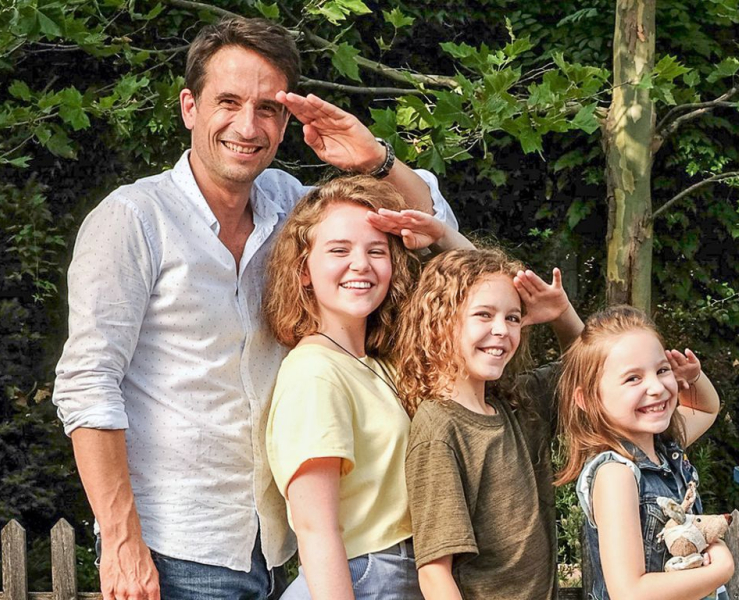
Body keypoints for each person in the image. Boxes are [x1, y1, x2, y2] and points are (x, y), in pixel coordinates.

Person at [52, 16, 457, 600]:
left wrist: (376, 160)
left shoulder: (291, 207)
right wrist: (120, 542)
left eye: (267, 108)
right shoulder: (133, 219)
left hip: (273, 548)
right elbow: (88, 384)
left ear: (286, 122)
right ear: (189, 107)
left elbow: (426, 230)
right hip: (174, 549)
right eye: (228, 102)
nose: (247, 126)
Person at [264, 175, 470, 599]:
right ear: (303, 271)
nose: (361, 264)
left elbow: (493, 294)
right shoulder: (314, 374)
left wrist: (441, 235)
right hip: (361, 578)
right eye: (339, 250)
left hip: (403, 574)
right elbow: (315, 528)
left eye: (376, 251)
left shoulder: (381, 364)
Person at [395, 248, 584, 600]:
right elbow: (435, 574)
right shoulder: (439, 429)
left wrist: (562, 314)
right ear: (439, 321)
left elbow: (589, 371)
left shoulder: (519, 404)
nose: (501, 330)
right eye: (484, 314)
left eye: (513, 318)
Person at [555, 305, 734, 600]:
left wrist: (694, 377)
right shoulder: (616, 475)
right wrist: (720, 571)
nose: (656, 387)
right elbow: (630, 592)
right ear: (588, 399)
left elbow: (706, 408)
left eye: (662, 370)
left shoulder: (663, 447)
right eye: (633, 378)